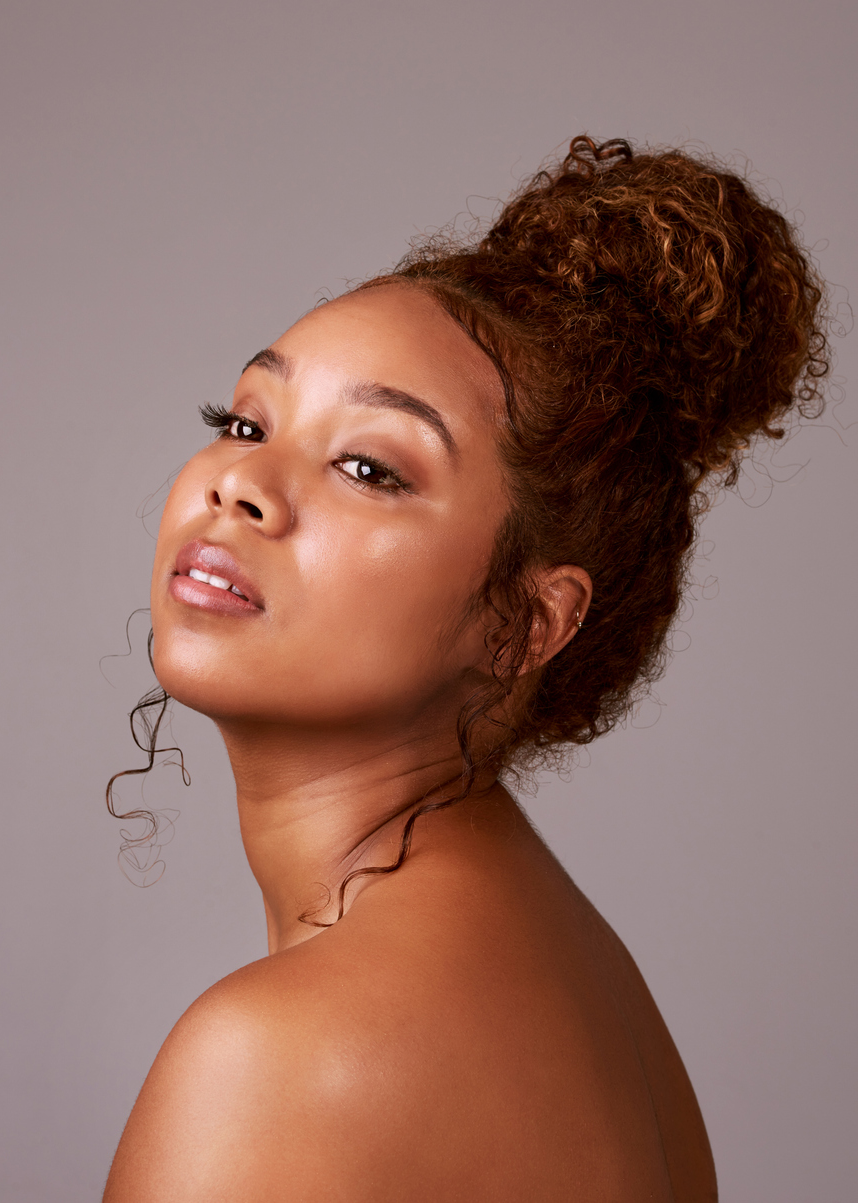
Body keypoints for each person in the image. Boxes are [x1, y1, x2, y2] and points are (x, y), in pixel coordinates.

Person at [102, 136, 829, 1201]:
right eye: (246, 420)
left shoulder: (283, 1056)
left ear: (527, 624)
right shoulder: (583, 984)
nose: (241, 483)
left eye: (368, 467)